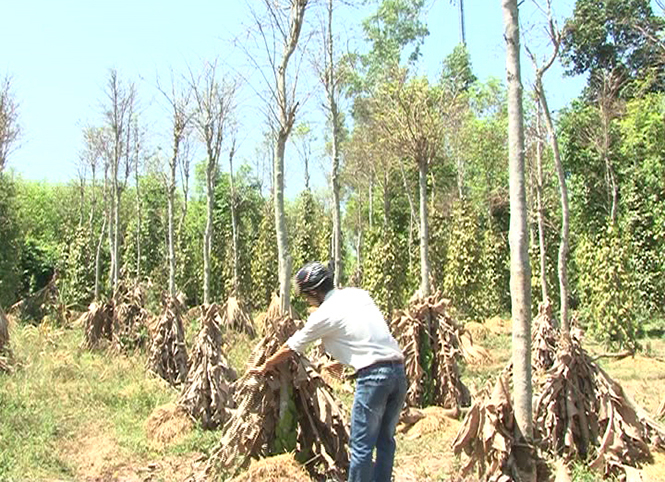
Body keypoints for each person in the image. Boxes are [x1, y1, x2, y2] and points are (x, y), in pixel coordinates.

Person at [250, 261, 407, 482]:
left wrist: (265, 365)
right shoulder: (358, 295)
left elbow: (291, 347)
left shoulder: (322, 315)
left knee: (361, 446)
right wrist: (343, 361)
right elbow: (361, 332)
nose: (307, 300)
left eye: (307, 296)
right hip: (398, 372)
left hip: (373, 378)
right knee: (385, 441)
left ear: (314, 291)